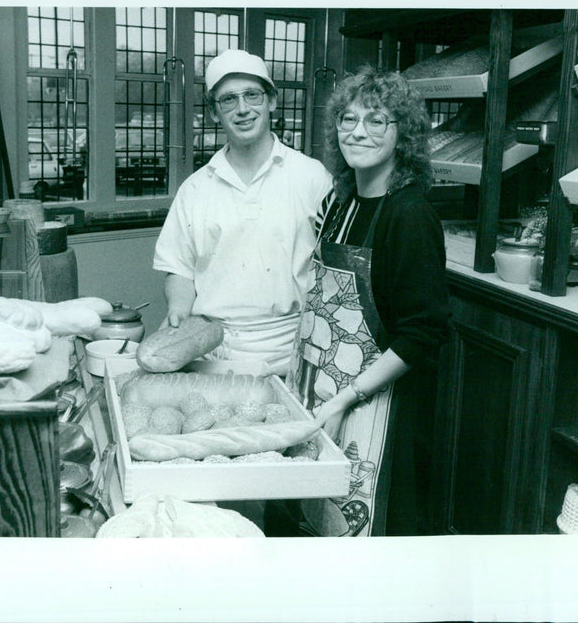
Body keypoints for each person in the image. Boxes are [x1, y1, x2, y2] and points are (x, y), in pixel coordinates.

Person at [269, 66, 451, 537]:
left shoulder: (409, 215)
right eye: (348, 120)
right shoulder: (341, 201)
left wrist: (346, 399)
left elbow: (423, 332)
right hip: (320, 393)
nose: (358, 132)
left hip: (374, 412)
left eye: (376, 121)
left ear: (403, 134)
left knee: (363, 540)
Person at [153, 49, 333, 376]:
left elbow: (333, 267)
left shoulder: (312, 177)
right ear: (213, 112)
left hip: (292, 348)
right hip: (213, 351)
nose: (242, 109)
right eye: (228, 100)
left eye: (252, 95)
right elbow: (178, 267)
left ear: (272, 101)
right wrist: (178, 311)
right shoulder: (195, 189)